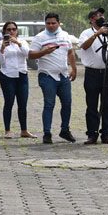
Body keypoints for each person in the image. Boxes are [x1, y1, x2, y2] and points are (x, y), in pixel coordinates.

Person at [29, 12, 77, 144]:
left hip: (63, 75)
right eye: (48, 23)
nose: (50, 25)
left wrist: (74, 68)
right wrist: (44, 52)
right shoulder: (40, 37)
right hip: (47, 75)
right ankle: (47, 133)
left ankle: (65, 130)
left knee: (67, 103)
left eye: (53, 23)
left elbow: (70, 52)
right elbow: (31, 55)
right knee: (49, 104)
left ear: (58, 23)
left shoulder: (65, 35)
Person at [78, 8, 108, 144]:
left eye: (102, 14)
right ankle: (92, 134)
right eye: (98, 15)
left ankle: (106, 134)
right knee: (92, 104)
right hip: (92, 73)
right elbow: (84, 46)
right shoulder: (86, 33)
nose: (101, 17)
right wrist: (97, 33)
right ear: (92, 19)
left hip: (107, 72)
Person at [0, 21, 35, 139]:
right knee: (9, 102)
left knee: (22, 103)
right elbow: (0, 61)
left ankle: (24, 130)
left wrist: (18, 43)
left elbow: (28, 54)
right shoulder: (1, 43)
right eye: (9, 29)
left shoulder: (22, 42)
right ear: (5, 31)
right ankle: (7, 130)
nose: (11, 31)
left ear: (17, 31)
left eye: (14, 29)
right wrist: (3, 48)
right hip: (7, 75)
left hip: (22, 75)